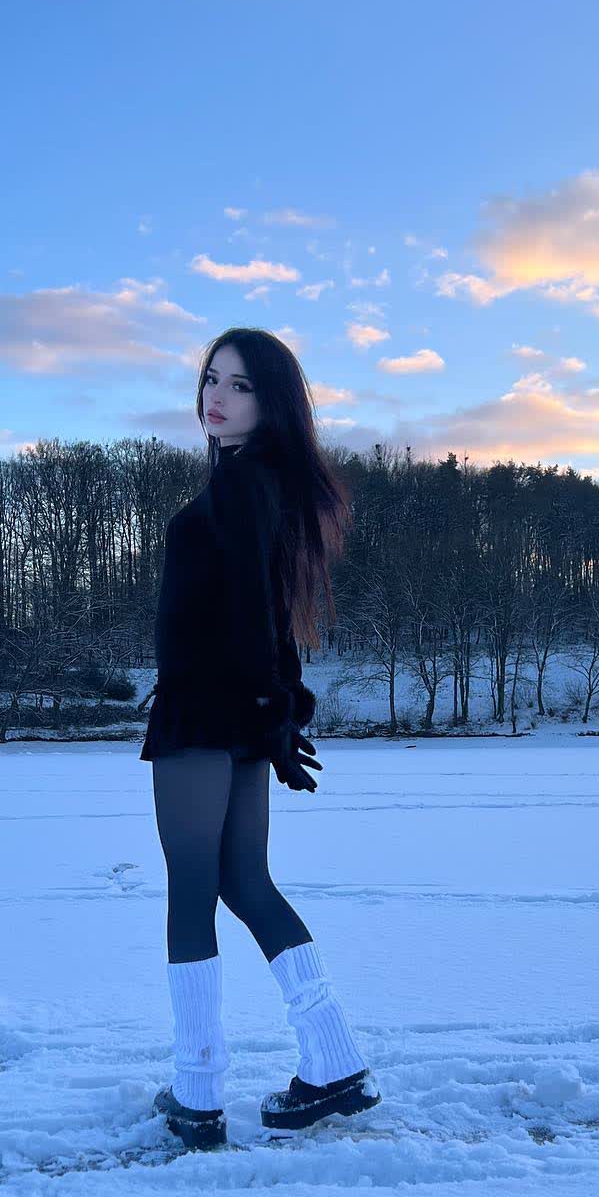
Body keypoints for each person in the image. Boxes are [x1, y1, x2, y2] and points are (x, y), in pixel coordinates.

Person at [141, 328, 380, 1151]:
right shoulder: (256, 483)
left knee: (192, 889)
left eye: (239, 385)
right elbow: (270, 615)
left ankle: (197, 1089)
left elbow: (253, 612)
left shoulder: (244, 486)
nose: (216, 396)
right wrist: (276, 710)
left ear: (271, 401)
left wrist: (273, 706)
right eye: (212, 378)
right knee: (244, 881)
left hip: (202, 714)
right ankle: (333, 1057)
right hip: (235, 712)